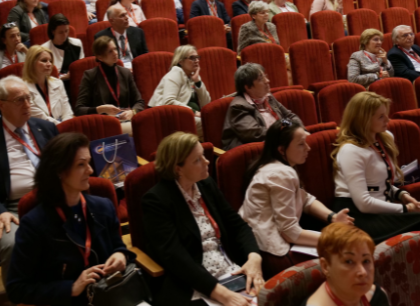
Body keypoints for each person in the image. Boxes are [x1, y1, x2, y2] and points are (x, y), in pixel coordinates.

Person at [6, 132, 134, 305]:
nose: (90, 170)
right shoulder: (34, 225)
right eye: (81, 164)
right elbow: (17, 289)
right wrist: (71, 288)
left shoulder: (104, 207)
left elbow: (118, 246)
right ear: (59, 171)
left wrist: (121, 255)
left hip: (109, 295)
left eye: (88, 162)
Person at [142, 132, 264, 305]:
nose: (207, 162)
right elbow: (175, 258)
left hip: (230, 270)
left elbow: (237, 225)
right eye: (197, 160)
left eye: (204, 156)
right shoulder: (156, 200)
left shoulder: (206, 184)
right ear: (178, 168)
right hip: (192, 283)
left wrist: (254, 258)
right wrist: (221, 294)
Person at [0, 75, 59, 286]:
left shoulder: (46, 128)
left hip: (51, 200)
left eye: (28, 98)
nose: (27, 104)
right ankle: (19, 296)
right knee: (13, 243)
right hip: (11, 209)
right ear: (1, 105)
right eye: (19, 100)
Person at [240, 120, 354, 278]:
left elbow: (305, 199)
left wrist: (332, 217)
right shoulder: (280, 173)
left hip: (273, 242)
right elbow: (289, 232)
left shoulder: (278, 166)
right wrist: (333, 239)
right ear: (281, 150)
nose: (308, 148)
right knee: (347, 254)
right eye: (301, 144)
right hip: (272, 252)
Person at [331, 92, 420, 242]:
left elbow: (378, 184)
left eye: (386, 114)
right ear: (363, 120)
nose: (388, 119)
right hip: (355, 215)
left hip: (378, 208)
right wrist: (406, 209)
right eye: (381, 116)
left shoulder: (383, 138)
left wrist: (402, 196)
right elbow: (363, 203)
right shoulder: (351, 150)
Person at [300, 223, 390, 306]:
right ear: (325, 266)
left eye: (366, 261)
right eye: (349, 262)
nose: (363, 272)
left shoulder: (377, 296)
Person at [75, 36, 145, 134]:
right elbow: (79, 109)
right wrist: (100, 109)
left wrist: (132, 112)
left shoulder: (125, 73)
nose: (115, 53)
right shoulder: (90, 76)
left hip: (125, 120)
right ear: (100, 57)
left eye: (115, 49)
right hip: (102, 123)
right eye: (110, 51)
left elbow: (139, 102)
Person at [222, 63, 301, 150]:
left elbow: (290, 116)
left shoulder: (268, 97)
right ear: (248, 87)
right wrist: (285, 130)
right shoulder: (238, 106)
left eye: (265, 76)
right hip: (253, 151)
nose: (267, 81)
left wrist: (296, 129)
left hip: (277, 143)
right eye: (260, 79)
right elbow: (256, 133)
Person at [149, 45, 211, 138]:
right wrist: (194, 112)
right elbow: (168, 101)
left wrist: (198, 82)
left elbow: (206, 103)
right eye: (192, 58)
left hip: (186, 116)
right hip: (169, 118)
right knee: (210, 124)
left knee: (214, 120)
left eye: (197, 57)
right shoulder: (175, 74)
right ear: (180, 61)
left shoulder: (193, 76)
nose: (197, 60)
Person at [22, 46, 74, 123]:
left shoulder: (58, 83)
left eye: (50, 61)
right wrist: (62, 127)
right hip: (40, 127)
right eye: (44, 60)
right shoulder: (23, 89)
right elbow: (40, 117)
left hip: (62, 125)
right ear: (32, 63)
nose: (49, 64)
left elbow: (67, 112)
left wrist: (66, 125)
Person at [41, 14, 84, 80]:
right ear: (53, 32)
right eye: (61, 32)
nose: (65, 35)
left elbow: (81, 67)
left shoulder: (77, 43)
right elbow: (44, 76)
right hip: (55, 83)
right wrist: (62, 78)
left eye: (66, 31)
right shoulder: (44, 49)